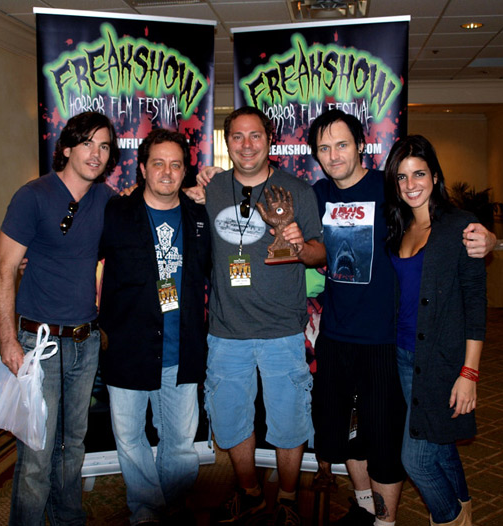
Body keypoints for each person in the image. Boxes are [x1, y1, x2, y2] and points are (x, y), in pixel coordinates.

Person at [306, 109, 495, 526]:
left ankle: (386, 519)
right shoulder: (316, 194)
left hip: (387, 342)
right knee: (347, 436)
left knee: (394, 443)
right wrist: (208, 184)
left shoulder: (387, 190)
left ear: (360, 146)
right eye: (324, 148)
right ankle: (363, 507)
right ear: (316, 155)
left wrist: (489, 237)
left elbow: (444, 220)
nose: (334, 155)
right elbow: (270, 201)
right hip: (336, 336)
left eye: (342, 144)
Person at [193, 106, 324, 526]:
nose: (246, 145)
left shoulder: (298, 191)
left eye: (255, 136)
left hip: (282, 331)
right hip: (226, 332)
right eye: (237, 137)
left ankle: (286, 498)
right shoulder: (211, 188)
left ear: (270, 139)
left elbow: (321, 252)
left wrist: (300, 245)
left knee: (288, 421)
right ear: (226, 142)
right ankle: (249, 493)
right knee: (231, 421)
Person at [0, 111, 120, 525]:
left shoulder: (105, 200)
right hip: (37, 343)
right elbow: (4, 269)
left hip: (85, 343)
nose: (95, 153)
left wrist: (197, 188)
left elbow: (148, 206)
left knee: (74, 446)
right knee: (36, 453)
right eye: (87, 143)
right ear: (66, 148)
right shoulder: (32, 196)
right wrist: (9, 340)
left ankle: (68, 519)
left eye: (104, 146)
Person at [98, 129, 211, 525]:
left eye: (176, 164)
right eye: (158, 163)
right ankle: (147, 510)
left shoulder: (200, 217)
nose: (167, 172)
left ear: (185, 172)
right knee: (130, 439)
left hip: (183, 350)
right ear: (143, 168)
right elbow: (76, 255)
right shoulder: (114, 214)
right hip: (129, 348)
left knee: (180, 442)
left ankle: (175, 505)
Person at [384, 135, 486, 526]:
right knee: (442, 447)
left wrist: (469, 373)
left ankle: (447, 519)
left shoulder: (460, 227)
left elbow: (476, 304)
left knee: (417, 459)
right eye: (401, 177)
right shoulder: (399, 226)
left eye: (419, 173)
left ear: (436, 175)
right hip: (404, 357)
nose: (411, 184)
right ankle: (465, 512)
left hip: (442, 362)